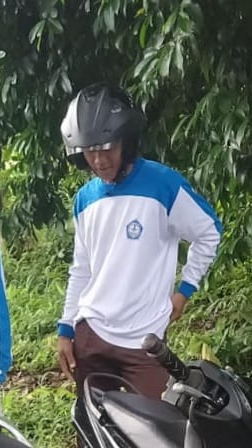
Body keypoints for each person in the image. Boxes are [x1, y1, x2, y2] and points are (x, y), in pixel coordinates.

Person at [56, 82, 223, 399]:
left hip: (144, 341)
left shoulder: (162, 185)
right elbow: (82, 269)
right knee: (94, 434)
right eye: (90, 152)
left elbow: (208, 231)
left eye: (107, 149)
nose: (99, 160)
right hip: (91, 334)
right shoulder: (85, 199)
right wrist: (66, 329)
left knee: (159, 435)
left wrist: (185, 290)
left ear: (125, 142)